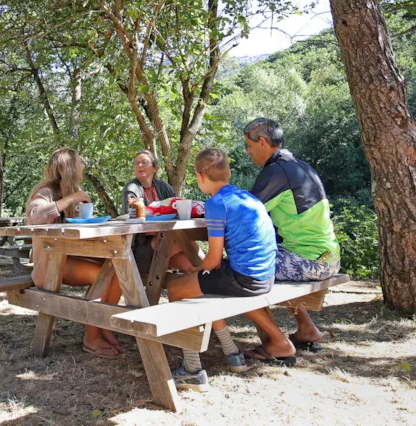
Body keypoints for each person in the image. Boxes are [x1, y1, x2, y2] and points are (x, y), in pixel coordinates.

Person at [166, 148, 278, 391]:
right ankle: (232, 353)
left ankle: (192, 370)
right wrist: (200, 273)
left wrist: (196, 270)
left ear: (200, 177)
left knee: (176, 289)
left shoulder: (216, 204)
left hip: (245, 278)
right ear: (229, 172)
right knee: (203, 287)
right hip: (266, 276)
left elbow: (214, 260)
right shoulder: (247, 197)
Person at [242, 117, 341, 362]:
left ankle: (277, 342)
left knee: (243, 269)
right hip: (329, 257)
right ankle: (307, 328)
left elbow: (243, 213)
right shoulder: (300, 166)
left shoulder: (276, 172)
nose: (248, 152)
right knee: (272, 258)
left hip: (310, 261)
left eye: (249, 146)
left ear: (263, 142)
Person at [26, 148, 125, 357]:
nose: (83, 166)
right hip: (49, 267)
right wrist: (71, 199)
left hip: (67, 259)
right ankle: (91, 336)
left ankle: (103, 324)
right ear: (69, 167)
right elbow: (35, 216)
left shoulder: (70, 190)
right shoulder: (47, 191)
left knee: (118, 270)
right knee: (103, 276)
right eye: (80, 162)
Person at [122, 150, 202, 275]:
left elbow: (177, 207)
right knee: (183, 240)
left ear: (154, 167)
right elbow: (132, 220)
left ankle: (207, 275)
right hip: (140, 248)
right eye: (136, 163)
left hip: (165, 241)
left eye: (144, 162)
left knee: (190, 266)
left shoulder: (162, 186)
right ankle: (211, 269)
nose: (139, 166)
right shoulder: (131, 189)